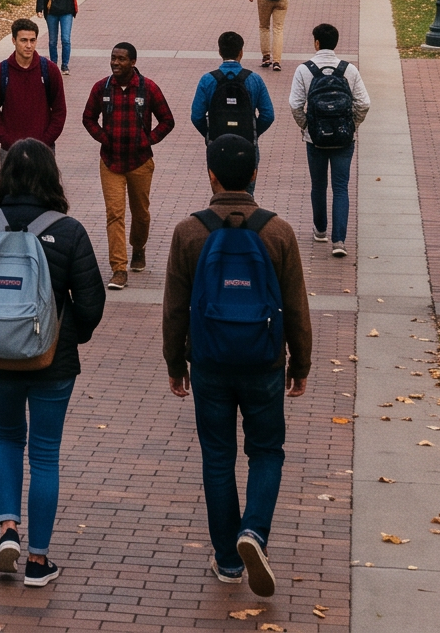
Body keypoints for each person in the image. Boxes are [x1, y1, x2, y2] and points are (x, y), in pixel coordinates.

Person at [0, 138, 107, 590]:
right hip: (52, 363)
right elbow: (91, 302)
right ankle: (38, 561)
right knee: (45, 453)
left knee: (7, 438)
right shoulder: (70, 230)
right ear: (50, 176)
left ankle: (6, 530)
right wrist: (65, 337)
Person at [163, 133, 313, 599]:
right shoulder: (278, 231)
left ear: (210, 174)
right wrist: (300, 362)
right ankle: (255, 532)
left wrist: (175, 361)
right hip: (264, 361)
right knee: (267, 452)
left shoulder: (190, 232)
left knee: (218, 457)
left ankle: (228, 560)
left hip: (209, 362)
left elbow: (174, 308)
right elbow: (296, 306)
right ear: (254, 174)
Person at [80, 42, 177, 291]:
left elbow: (167, 120)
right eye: (113, 58)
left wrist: (148, 140)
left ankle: (139, 247)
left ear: (133, 62)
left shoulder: (148, 88)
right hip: (111, 162)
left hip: (140, 163)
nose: (115, 63)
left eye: (121, 59)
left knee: (141, 213)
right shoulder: (101, 88)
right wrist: (104, 138)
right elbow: (88, 118)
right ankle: (119, 269)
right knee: (115, 214)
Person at [287, 23, 371, 258]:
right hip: (344, 139)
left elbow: (295, 104)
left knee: (318, 184)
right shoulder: (349, 70)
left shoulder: (304, 70)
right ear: (335, 43)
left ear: (316, 43)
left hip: (315, 139)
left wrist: (307, 126)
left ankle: (321, 230)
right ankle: (339, 240)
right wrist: (352, 125)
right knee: (341, 187)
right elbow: (364, 103)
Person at [0, 18, 67, 152]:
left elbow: (60, 110)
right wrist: (7, 141)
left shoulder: (50, 70)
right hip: (11, 151)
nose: (29, 45)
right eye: (24, 40)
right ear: (13, 40)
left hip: (43, 150)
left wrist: (45, 141)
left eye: (32, 40)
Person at [190, 31, 274, 154]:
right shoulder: (254, 79)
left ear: (220, 52)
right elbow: (268, 115)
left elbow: (196, 116)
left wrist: (211, 134)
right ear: (241, 52)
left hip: (217, 146)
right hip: (247, 145)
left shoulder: (207, 80)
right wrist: (252, 132)